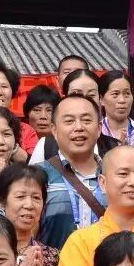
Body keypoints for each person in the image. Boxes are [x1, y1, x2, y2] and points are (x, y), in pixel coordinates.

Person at [39, 94, 106, 249]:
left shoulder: (115, 174)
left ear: (99, 128)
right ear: (54, 130)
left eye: (86, 120)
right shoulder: (38, 176)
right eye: (69, 121)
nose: (79, 127)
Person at [0, 162, 60, 266]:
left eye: (36, 198)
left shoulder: (53, 256)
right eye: (20, 197)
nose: (29, 205)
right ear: (1, 202)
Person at [29, 70, 116, 165]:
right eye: (76, 94)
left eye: (91, 95)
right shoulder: (47, 146)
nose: (83, 100)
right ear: (64, 98)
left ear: (100, 99)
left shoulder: (114, 147)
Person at [98, 69, 134, 146]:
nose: (122, 100)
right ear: (101, 99)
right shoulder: (94, 135)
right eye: (115, 94)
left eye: (127, 93)